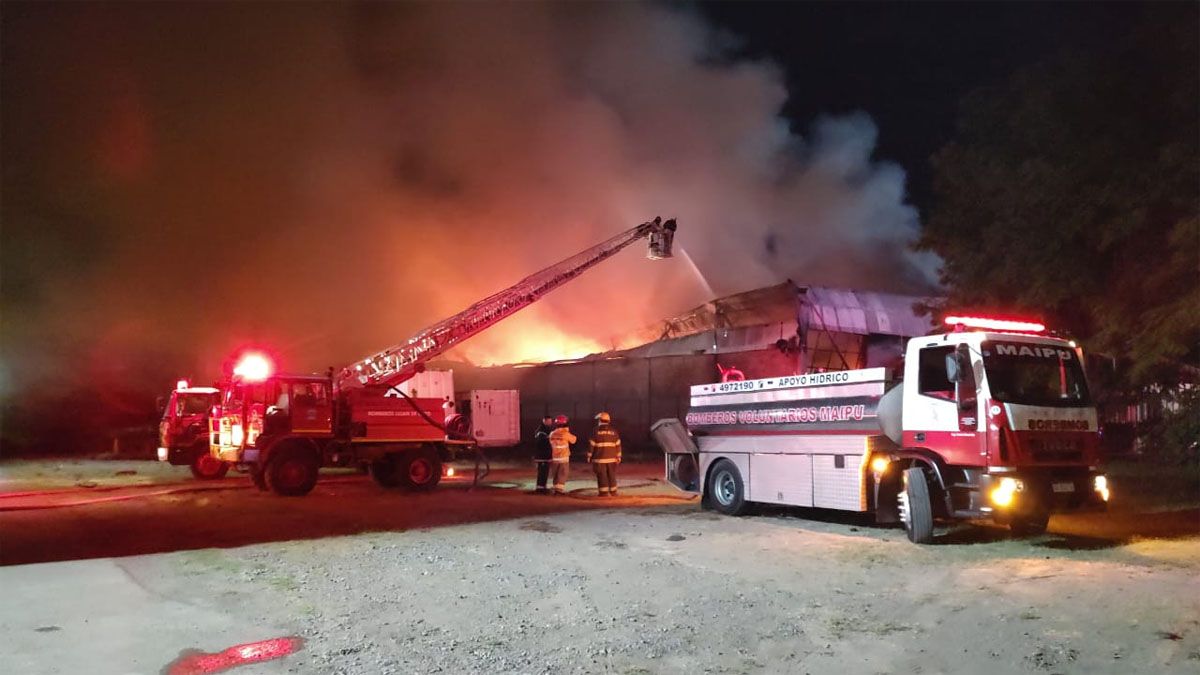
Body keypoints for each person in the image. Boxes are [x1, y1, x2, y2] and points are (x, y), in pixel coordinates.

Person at [587, 411, 622, 497]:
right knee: (611, 475)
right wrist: (619, 456)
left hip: (599, 459)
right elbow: (618, 444)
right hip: (612, 459)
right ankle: (613, 492)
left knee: (602, 475)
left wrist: (589, 456)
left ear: (600, 420)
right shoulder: (614, 431)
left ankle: (604, 493)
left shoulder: (595, 431)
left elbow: (591, 445)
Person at [547, 414, 576, 495]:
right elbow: (574, 440)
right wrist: (567, 431)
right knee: (562, 474)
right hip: (564, 458)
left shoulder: (552, 433)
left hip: (555, 458)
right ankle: (559, 491)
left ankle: (556, 489)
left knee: (556, 474)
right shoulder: (565, 433)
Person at [532, 415, 554, 494]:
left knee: (544, 472)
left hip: (544, 456)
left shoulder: (544, 430)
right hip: (542, 456)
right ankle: (540, 489)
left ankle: (542, 487)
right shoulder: (542, 431)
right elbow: (543, 443)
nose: (550, 423)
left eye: (551, 421)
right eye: (549, 421)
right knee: (542, 472)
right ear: (544, 421)